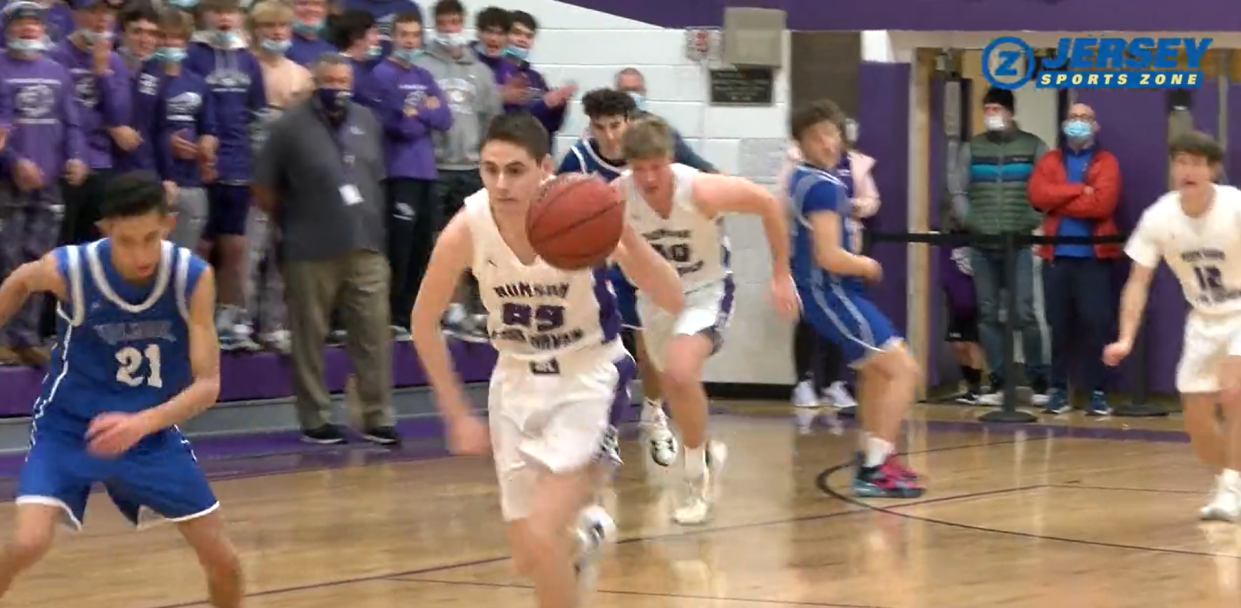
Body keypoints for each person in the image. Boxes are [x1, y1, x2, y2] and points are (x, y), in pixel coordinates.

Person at [409, 112, 685, 608]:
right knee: (529, 556)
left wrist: (625, 237)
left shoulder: (583, 210)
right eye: (489, 169)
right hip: (513, 380)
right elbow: (422, 322)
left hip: (589, 377)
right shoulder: (467, 227)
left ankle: (572, 534)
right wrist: (455, 413)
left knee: (541, 537)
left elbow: (671, 295)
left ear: (545, 169)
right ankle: (585, 536)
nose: (500, 183)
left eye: (514, 170)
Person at [0, 171, 244, 607]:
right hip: (70, 427)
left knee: (222, 559)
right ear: (106, 230)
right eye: (127, 241)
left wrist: (142, 423)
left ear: (169, 224)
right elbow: (20, 281)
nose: (141, 253)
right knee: (27, 543)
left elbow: (208, 385)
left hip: (149, 432)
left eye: (151, 237)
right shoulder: (70, 269)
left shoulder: (192, 278)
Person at [614, 116, 799, 524]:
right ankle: (709, 449)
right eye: (638, 168)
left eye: (655, 167)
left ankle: (697, 480)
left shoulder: (700, 189)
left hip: (706, 290)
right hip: (655, 296)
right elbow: (612, 244)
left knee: (680, 374)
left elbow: (767, 204)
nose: (647, 177)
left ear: (670, 159)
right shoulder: (617, 197)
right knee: (673, 385)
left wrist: (781, 271)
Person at [253, 53, 398, 446]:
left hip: (366, 243)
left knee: (373, 332)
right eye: (330, 80)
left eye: (344, 80)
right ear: (315, 83)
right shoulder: (288, 126)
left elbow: (374, 176)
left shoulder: (367, 120)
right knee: (309, 337)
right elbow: (264, 187)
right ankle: (315, 418)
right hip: (309, 246)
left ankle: (376, 416)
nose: (338, 87)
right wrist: (294, 220)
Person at [787, 100, 924, 498]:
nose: (828, 142)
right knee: (903, 369)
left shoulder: (808, 178)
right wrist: (866, 264)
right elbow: (828, 255)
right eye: (817, 137)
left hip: (829, 293)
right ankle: (875, 468)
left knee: (876, 372)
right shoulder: (822, 186)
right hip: (831, 292)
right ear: (802, 144)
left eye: (832, 133)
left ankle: (874, 453)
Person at [1104, 131, 1241, 521]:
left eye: (1197, 162)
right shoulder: (1159, 216)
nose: (1188, 170)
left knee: (1234, 391)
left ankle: (1231, 488)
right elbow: (1138, 281)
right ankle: (1230, 481)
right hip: (1203, 319)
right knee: (1197, 420)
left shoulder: (1235, 208)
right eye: (1181, 161)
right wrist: (1126, 337)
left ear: (1213, 170)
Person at [947, 87, 1050, 406]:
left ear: (1010, 112)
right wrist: (971, 221)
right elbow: (958, 190)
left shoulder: (1033, 146)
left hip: (1019, 243)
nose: (992, 114)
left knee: (1025, 312)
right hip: (981, 244)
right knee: (988, 314)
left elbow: (1048, 188)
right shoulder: (972, 148)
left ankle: (1038, 380)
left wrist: (1031, 219)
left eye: (997, 109)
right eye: (987, 109)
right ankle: (999, 380)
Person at [0, 0, 87, 367]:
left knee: (39, 261)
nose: (29, 28)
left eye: (34, 22)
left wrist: (76, 157)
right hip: (7, 184)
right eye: (20, 22)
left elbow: (72, 123)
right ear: (7, 29)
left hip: (49, 184)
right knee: (5, 257)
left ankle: (27, 336)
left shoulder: (58, 71)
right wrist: (14, 161)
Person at [362, 10, 452, 339]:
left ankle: (413, 311)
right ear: (393, 38)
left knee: (423, 246)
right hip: (398, 171)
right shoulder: (381, 76)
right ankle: (391, 313)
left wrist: (420, 112)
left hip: (427, 171)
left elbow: (445, 119)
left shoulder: (424, 74)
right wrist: (421, 113)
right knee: (398, 247)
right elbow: (397, 126)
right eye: (404, 35)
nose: (410, 41)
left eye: (415, 35)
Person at [1029, 102, 1122, 416]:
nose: (1078, 122)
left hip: (1094, 258)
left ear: (1095, 126)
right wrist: (1079, 190)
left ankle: (1097, 392)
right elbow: (1038, 196)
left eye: (1085, 118)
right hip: (1056, 257)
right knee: (1059, 326)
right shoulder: (1050, 159)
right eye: (1073, 117)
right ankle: (1057, 390)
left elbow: (1101, 205)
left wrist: (1060, 199)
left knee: (1096, 325)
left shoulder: (1105, 161)